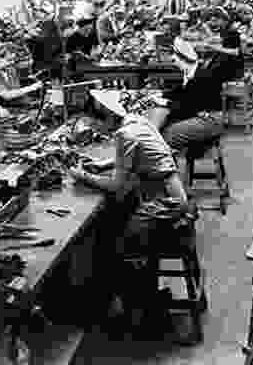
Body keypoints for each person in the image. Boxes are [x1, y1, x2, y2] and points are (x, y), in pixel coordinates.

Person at [68, 90, 193, 333]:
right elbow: (140, 156)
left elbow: (117, 186)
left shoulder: (125, 134)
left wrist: (82, 176)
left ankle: (139, 312)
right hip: (175, 196)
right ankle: (139, 301)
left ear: (105, 118)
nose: (95, 130)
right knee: (114, 226)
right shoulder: (137, 122)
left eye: (95, 124)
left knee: (116, 245)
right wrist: (105, 164)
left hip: (166, 205)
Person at [149, 38, 238, 151]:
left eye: (176, 61)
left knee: (168, 134)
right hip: (201, 114)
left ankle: (165, 162)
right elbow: (181, 91)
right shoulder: (193, 72)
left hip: (211, 121)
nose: (175, 64)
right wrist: (162, 94)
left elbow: (188, 107)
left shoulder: (202, 77)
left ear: (184, 60)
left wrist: (166, 103)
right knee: (164, 126)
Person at [30, 3, 72, 80]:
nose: (35, 13)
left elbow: (43, 37)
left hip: (54, 53)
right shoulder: (47, 21)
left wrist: (32, 34)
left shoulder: (49, 20)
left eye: (38, 10)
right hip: (55, 51)